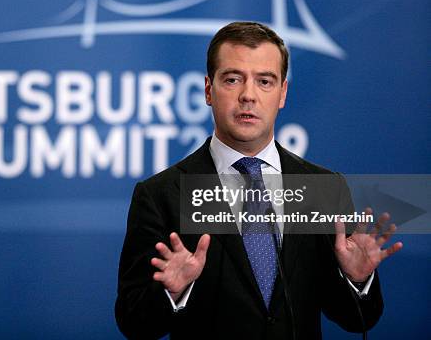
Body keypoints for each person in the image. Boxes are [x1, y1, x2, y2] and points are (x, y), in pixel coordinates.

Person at [115, 22, 402, 339]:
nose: (247, 95)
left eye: (265, 81)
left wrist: (358, 281)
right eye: (233, 79)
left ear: (283, 93)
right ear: (209, 90)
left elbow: (355, 319)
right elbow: (133, 322)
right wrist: (172, 293)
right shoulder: (162, 194)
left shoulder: (324, 188)